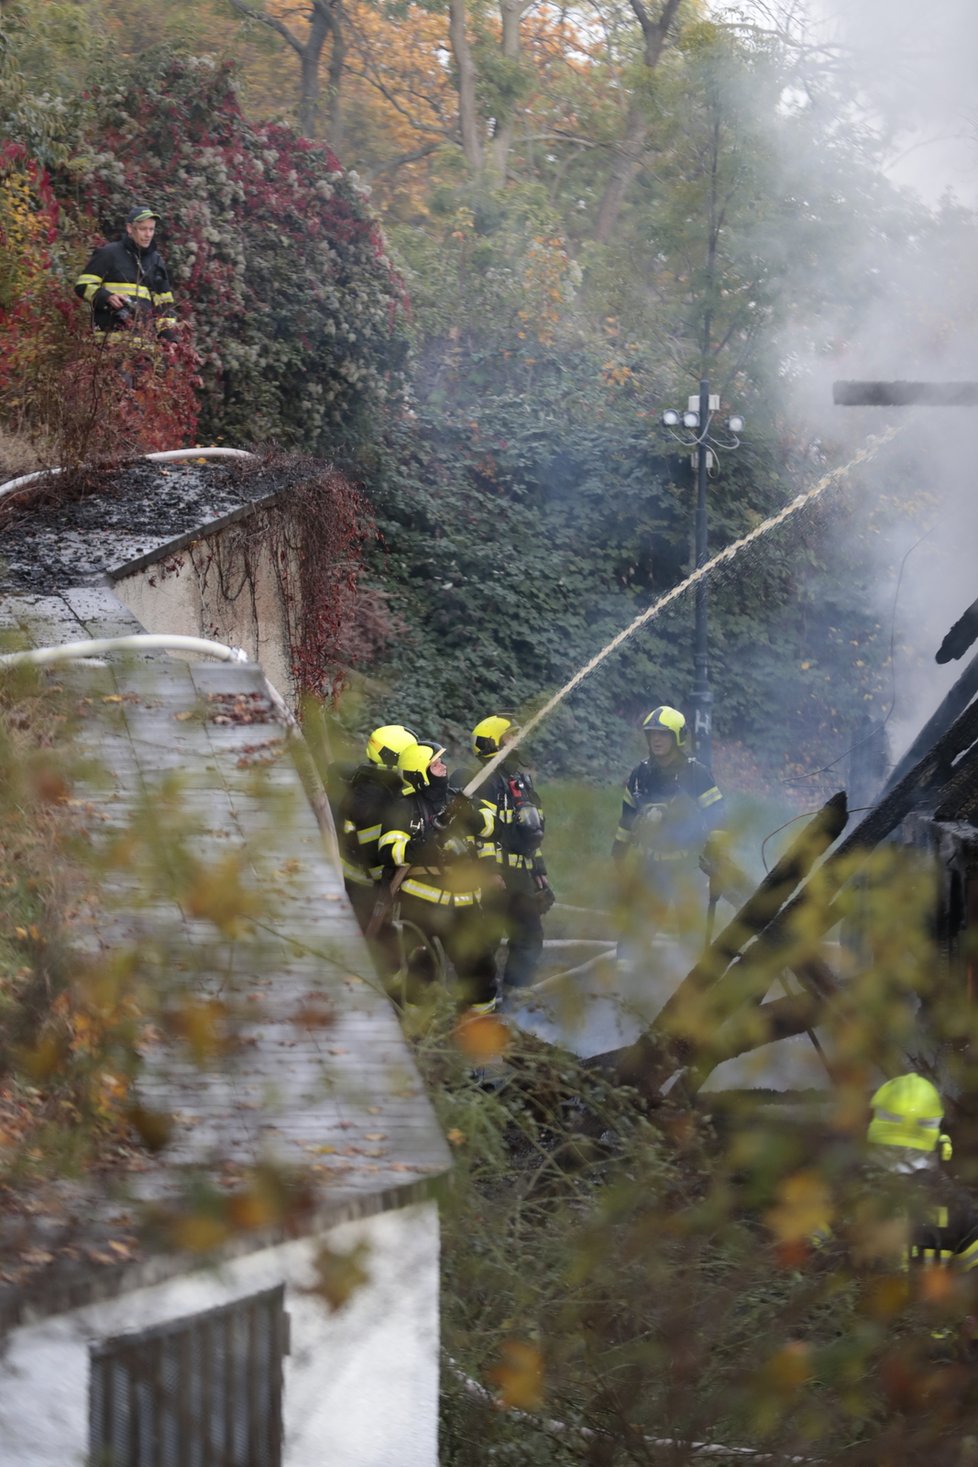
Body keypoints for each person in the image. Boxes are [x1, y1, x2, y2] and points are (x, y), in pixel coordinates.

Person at [377, 739, 499, 1012]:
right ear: (420, 772)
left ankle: (479, 1028)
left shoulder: (457, 799)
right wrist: (422, 845)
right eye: (436, 764)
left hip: (466, 904)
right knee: (421, 973)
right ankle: (418, 1033)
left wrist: (472, 816)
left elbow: (492, 827)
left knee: (480, 970)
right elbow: (389, 851)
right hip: (422, 906)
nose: (443, 767)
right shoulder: (404, 807)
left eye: (441, 762)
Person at [457, 714, 554, 997]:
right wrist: (489, 871)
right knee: (487, 938)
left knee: (529, 936)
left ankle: (515, 996)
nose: (517, 740)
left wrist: (539, 872)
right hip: (496, 876)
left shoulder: (521, 782)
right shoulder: (486, 783)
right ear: (492, 745)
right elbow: (480, 832)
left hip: (521, 875)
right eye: (509, 737)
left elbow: (533, 835)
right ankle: (477, 999)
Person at [611, 704, 726, 940]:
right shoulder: (640, 774)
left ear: (678, 737)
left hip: (686, 867)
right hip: (650, 866)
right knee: (636, 934)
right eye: (653, 734)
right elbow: (628, 817)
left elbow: (717, 815)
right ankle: (629, 976)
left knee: (689, 933)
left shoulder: (696, 774)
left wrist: (716, 855)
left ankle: (688, 975)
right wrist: (619, 851)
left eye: (663, 734)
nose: (657, 739)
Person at [329, 724, 419, 969]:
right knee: (372, 943)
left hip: (358, 879)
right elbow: (372, 852)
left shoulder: (374, 783)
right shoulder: (373, 798)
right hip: (362, 883)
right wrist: (384, 884)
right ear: (392, 758)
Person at [74, 205, 178, 342]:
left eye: (151, 229)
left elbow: (164, 305)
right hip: (107, 347)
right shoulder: (108, 253)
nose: (148, 235)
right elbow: (82, 285)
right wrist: (106, 297)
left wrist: (169, 339)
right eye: (143, 229)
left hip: (143, 349)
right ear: (130, 228)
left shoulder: (156, 261)